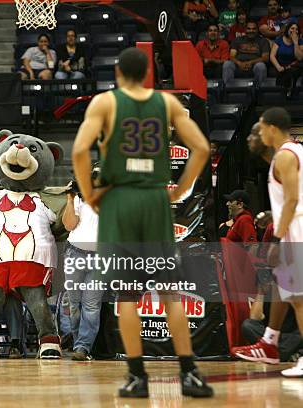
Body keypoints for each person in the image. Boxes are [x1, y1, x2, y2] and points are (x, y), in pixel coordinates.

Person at [71, 48, 213, 397]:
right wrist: (179, 190)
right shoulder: (166, 104)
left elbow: (78, 152)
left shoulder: (105, 103)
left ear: (118, 73)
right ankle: (189, 373)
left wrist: (89, 195)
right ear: (147, 72)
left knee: (128, 296)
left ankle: (137, 377)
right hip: (154, 199)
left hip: (120, 202)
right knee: (170, 294)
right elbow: (202, 148)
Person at [256, 107, 303, 377]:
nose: (260, 134)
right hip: (295, 223)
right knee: (293, 296)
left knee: (298, 299)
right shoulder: (298, 150)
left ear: (272, 128)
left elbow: (294, 199)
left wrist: (276, 238)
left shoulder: (284, 155)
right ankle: (269, 342)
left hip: (295, 229)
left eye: (262, 128)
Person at [62, 175, 101, 361]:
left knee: (91, 304)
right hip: (75, 253)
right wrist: (70, 198)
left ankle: (83, 347)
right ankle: (79, 344)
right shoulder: (78, 197)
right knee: (74, 303)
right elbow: (69, 224)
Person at [269, 22, 303, 97]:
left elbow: (300, 57)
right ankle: (284, 94)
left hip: (294, 66)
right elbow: (272, 56)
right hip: (280, 66)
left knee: (293, 70)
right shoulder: (279, 40)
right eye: (292, 28)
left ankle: (289, 93)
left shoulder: (300, 41)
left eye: (297, 29)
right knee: (284, 72)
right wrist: (278, 67)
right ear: (288, 29)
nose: (294, 31)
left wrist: (295, 43)